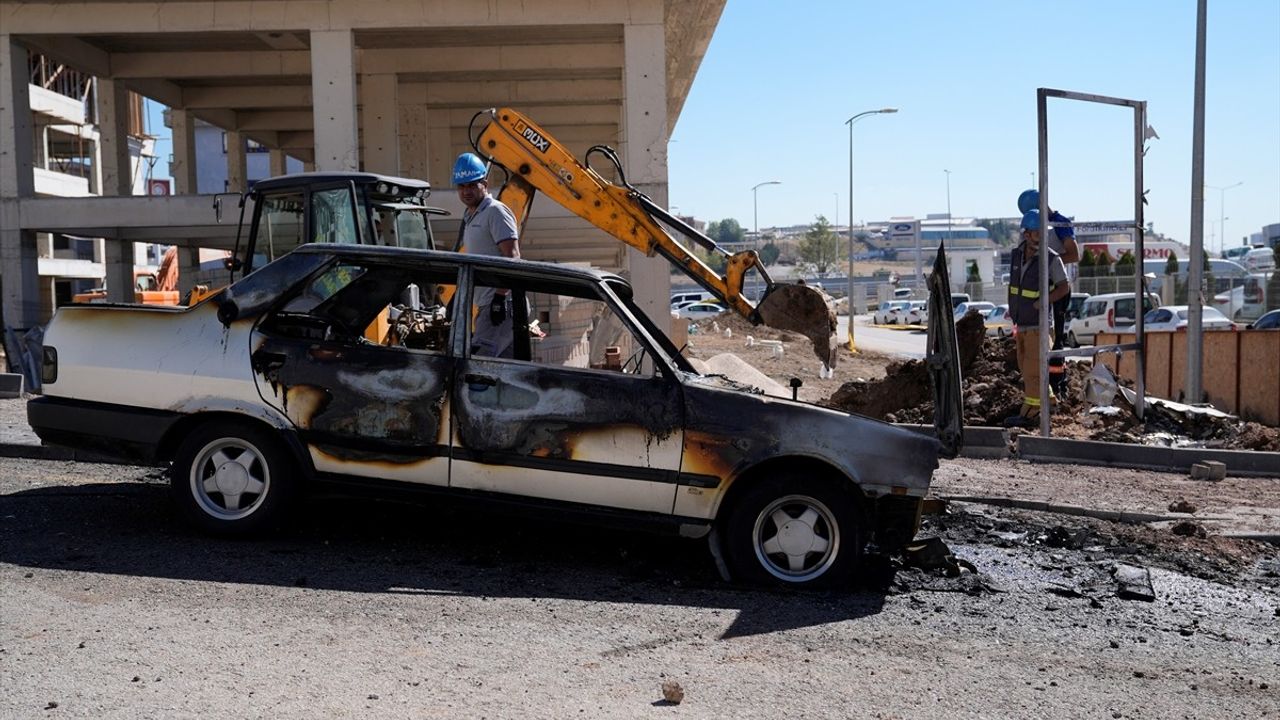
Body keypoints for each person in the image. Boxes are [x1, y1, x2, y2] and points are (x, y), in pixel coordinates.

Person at [1006, 209, 1071, 428]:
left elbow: (1064, 287)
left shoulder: (1051, 258)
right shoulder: (1016, 255)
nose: (1041, 237)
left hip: (1039, 326)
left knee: (1033, 373)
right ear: (1027, 234)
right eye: (1037, 233)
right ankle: (1049, 402)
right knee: (1028, 370)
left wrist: (1043, 302)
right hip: (1022, 324)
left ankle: (1032, 414)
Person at [453, 152, 522, 358]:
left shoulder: (495, 212)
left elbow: (513, 257)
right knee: (502, 371)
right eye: (462, 186)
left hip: (500, 303)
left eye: (472, 185)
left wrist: (500, 298)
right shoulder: (471, 215)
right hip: (486, 303)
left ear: (485, 182)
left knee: (477, 365)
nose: (466, 191)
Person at [1017, 189, 1079, 395]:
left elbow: (1073, 254)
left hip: (1057, 290)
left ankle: (1056, 382)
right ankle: (1041, 381)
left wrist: (1050, 262)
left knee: (1056, 339)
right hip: (1039, 291)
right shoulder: (1030, 227)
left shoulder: (1060, 224)